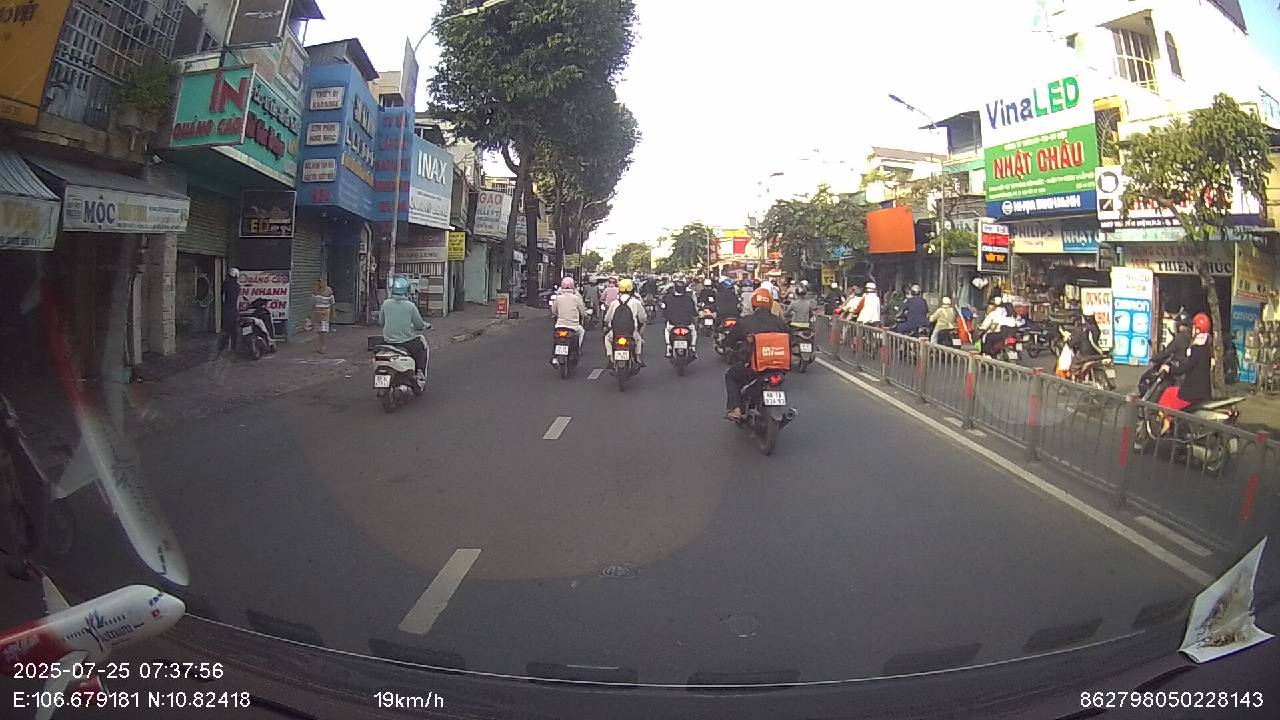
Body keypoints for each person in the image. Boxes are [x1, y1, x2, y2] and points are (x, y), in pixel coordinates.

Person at [723, 288, 792, 420]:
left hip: (754, 367)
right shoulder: (780, 322)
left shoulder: (745, 321)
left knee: (731, 376)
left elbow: (730, 340)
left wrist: (731, 347)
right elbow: (790, 339)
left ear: (753, 304)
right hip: (779, 367)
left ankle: (736, 409)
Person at [1157, 313, 1213, 432]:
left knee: (1169, 393)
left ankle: (1167, 422)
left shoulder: (1197, 348)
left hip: (1192, 393)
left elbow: (1186, 367)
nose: (1191, 329)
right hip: (1204, 392)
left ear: (1197, 330)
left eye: (1193, 327)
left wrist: (1170, 369)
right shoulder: (1206, 346)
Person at [381, 276, 429, 380]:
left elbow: (381, 322)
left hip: (388, 341)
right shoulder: (410, 306)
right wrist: (423, 326)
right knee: (421, 346)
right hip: (406, 342)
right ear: (407, 290)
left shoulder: (386, 303)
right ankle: (419, 372)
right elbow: (419, 325)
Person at [604, 277, 649, 364]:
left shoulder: (614, 302)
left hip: (615, 331)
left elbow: (607, 318)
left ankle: (611, 358)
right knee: (638, 340)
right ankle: (638, 358)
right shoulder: (636, 302)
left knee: (607, 339)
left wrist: (606, 325)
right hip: (631, 331)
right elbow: (643, 318)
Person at [659, 278, 698, 358]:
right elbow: (694, 311)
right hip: (687, 323)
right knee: (694, 332)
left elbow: (664, 309)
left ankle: (668, 348)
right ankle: (693, 348)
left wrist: (665, 316)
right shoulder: (689, 298)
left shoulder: (668, 298)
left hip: (673, 323)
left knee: (666, 330)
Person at [550, 277, 588, 350]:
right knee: (582, 332)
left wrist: (556, 315)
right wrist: (585, 315)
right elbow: (582, 311)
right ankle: (578, 348)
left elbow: (554, 311)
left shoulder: (558, 298)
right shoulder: (576, 298)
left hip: (559, 325)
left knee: (555, 336)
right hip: (573, 326)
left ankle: (555, 351)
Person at [312, 278, 335, 354]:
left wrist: (333, 313)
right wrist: (310, 313)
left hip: (325, 313)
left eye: (322, 281)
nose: (320, 283)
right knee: (319, 330)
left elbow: (332, 303)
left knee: (324, 330)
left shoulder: (329, 290)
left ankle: (323, 346)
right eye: (319, 281)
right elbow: (312, 302)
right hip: (317, 313)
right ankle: (321, 345)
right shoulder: (315, 290)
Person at [220, 267, 240, 352]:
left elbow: (222, 294)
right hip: (234, 310)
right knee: (234, 330)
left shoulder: (225, 284)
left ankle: (223, 347)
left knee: (226, 329)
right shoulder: (237, 286)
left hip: (227, 309)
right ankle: (233, 348)